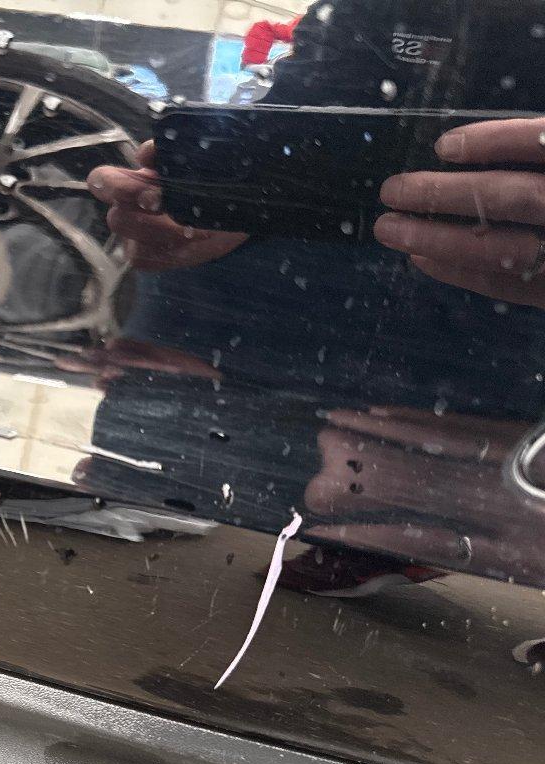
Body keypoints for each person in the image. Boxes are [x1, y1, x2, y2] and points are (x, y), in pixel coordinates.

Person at [79, 0, 545, 591]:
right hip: (420, 288)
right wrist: (228, 201)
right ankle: (369, 508)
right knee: (187, 271)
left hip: (468, 317)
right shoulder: (374, 11)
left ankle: (359, 505)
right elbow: (306, 116)